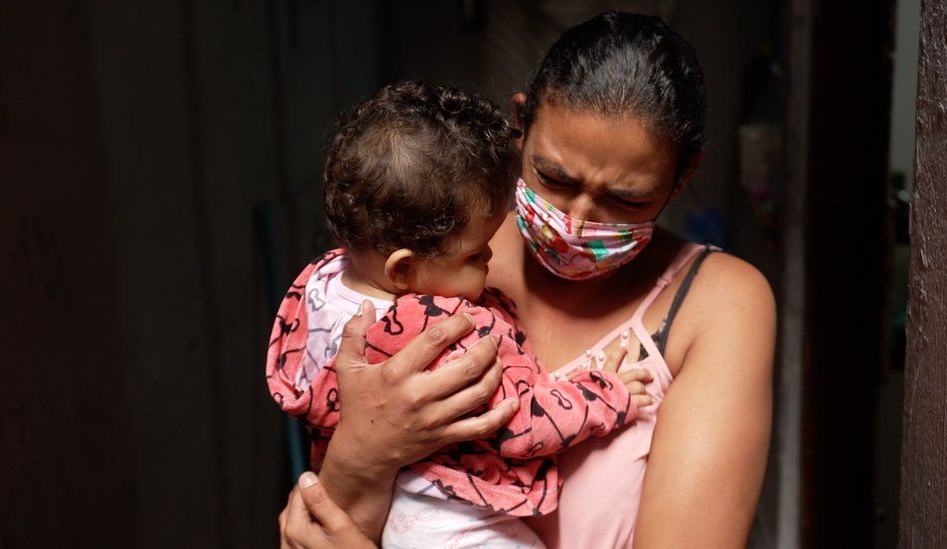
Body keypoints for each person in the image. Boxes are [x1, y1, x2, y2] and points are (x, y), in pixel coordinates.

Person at [277, 11, 775, 548]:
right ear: (520, 125)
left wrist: (363, 460)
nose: (579, 223)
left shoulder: (719, 303)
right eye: (555, 177)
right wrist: (359, 457)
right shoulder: (434, 250)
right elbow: (315, 529)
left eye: (626, 198)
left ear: (683, 176)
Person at [267, 80, 656, 548]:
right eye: (475, 255)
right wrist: (607, 395)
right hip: (450, 526)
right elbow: (519, 424)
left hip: (370, 512)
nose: (491, 259)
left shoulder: (318, 288)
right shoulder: (444, 332)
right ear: (405, 268)